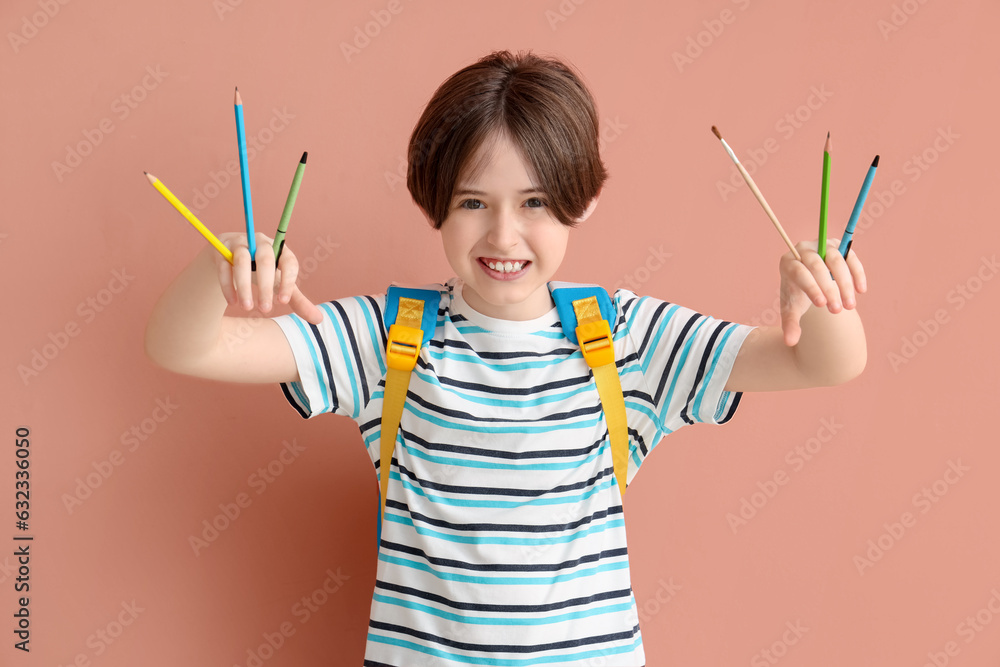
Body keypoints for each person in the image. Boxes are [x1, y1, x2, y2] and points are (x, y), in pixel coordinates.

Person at [145, 50, 866, 667]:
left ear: (582, 203)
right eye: (471, 202)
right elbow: (183, 345)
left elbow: (821, 363)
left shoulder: (630, 339)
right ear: (433, 203)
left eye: (536, 203)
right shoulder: (384, 336)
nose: (504, 233)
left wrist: (822, 298)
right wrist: (221, 271)